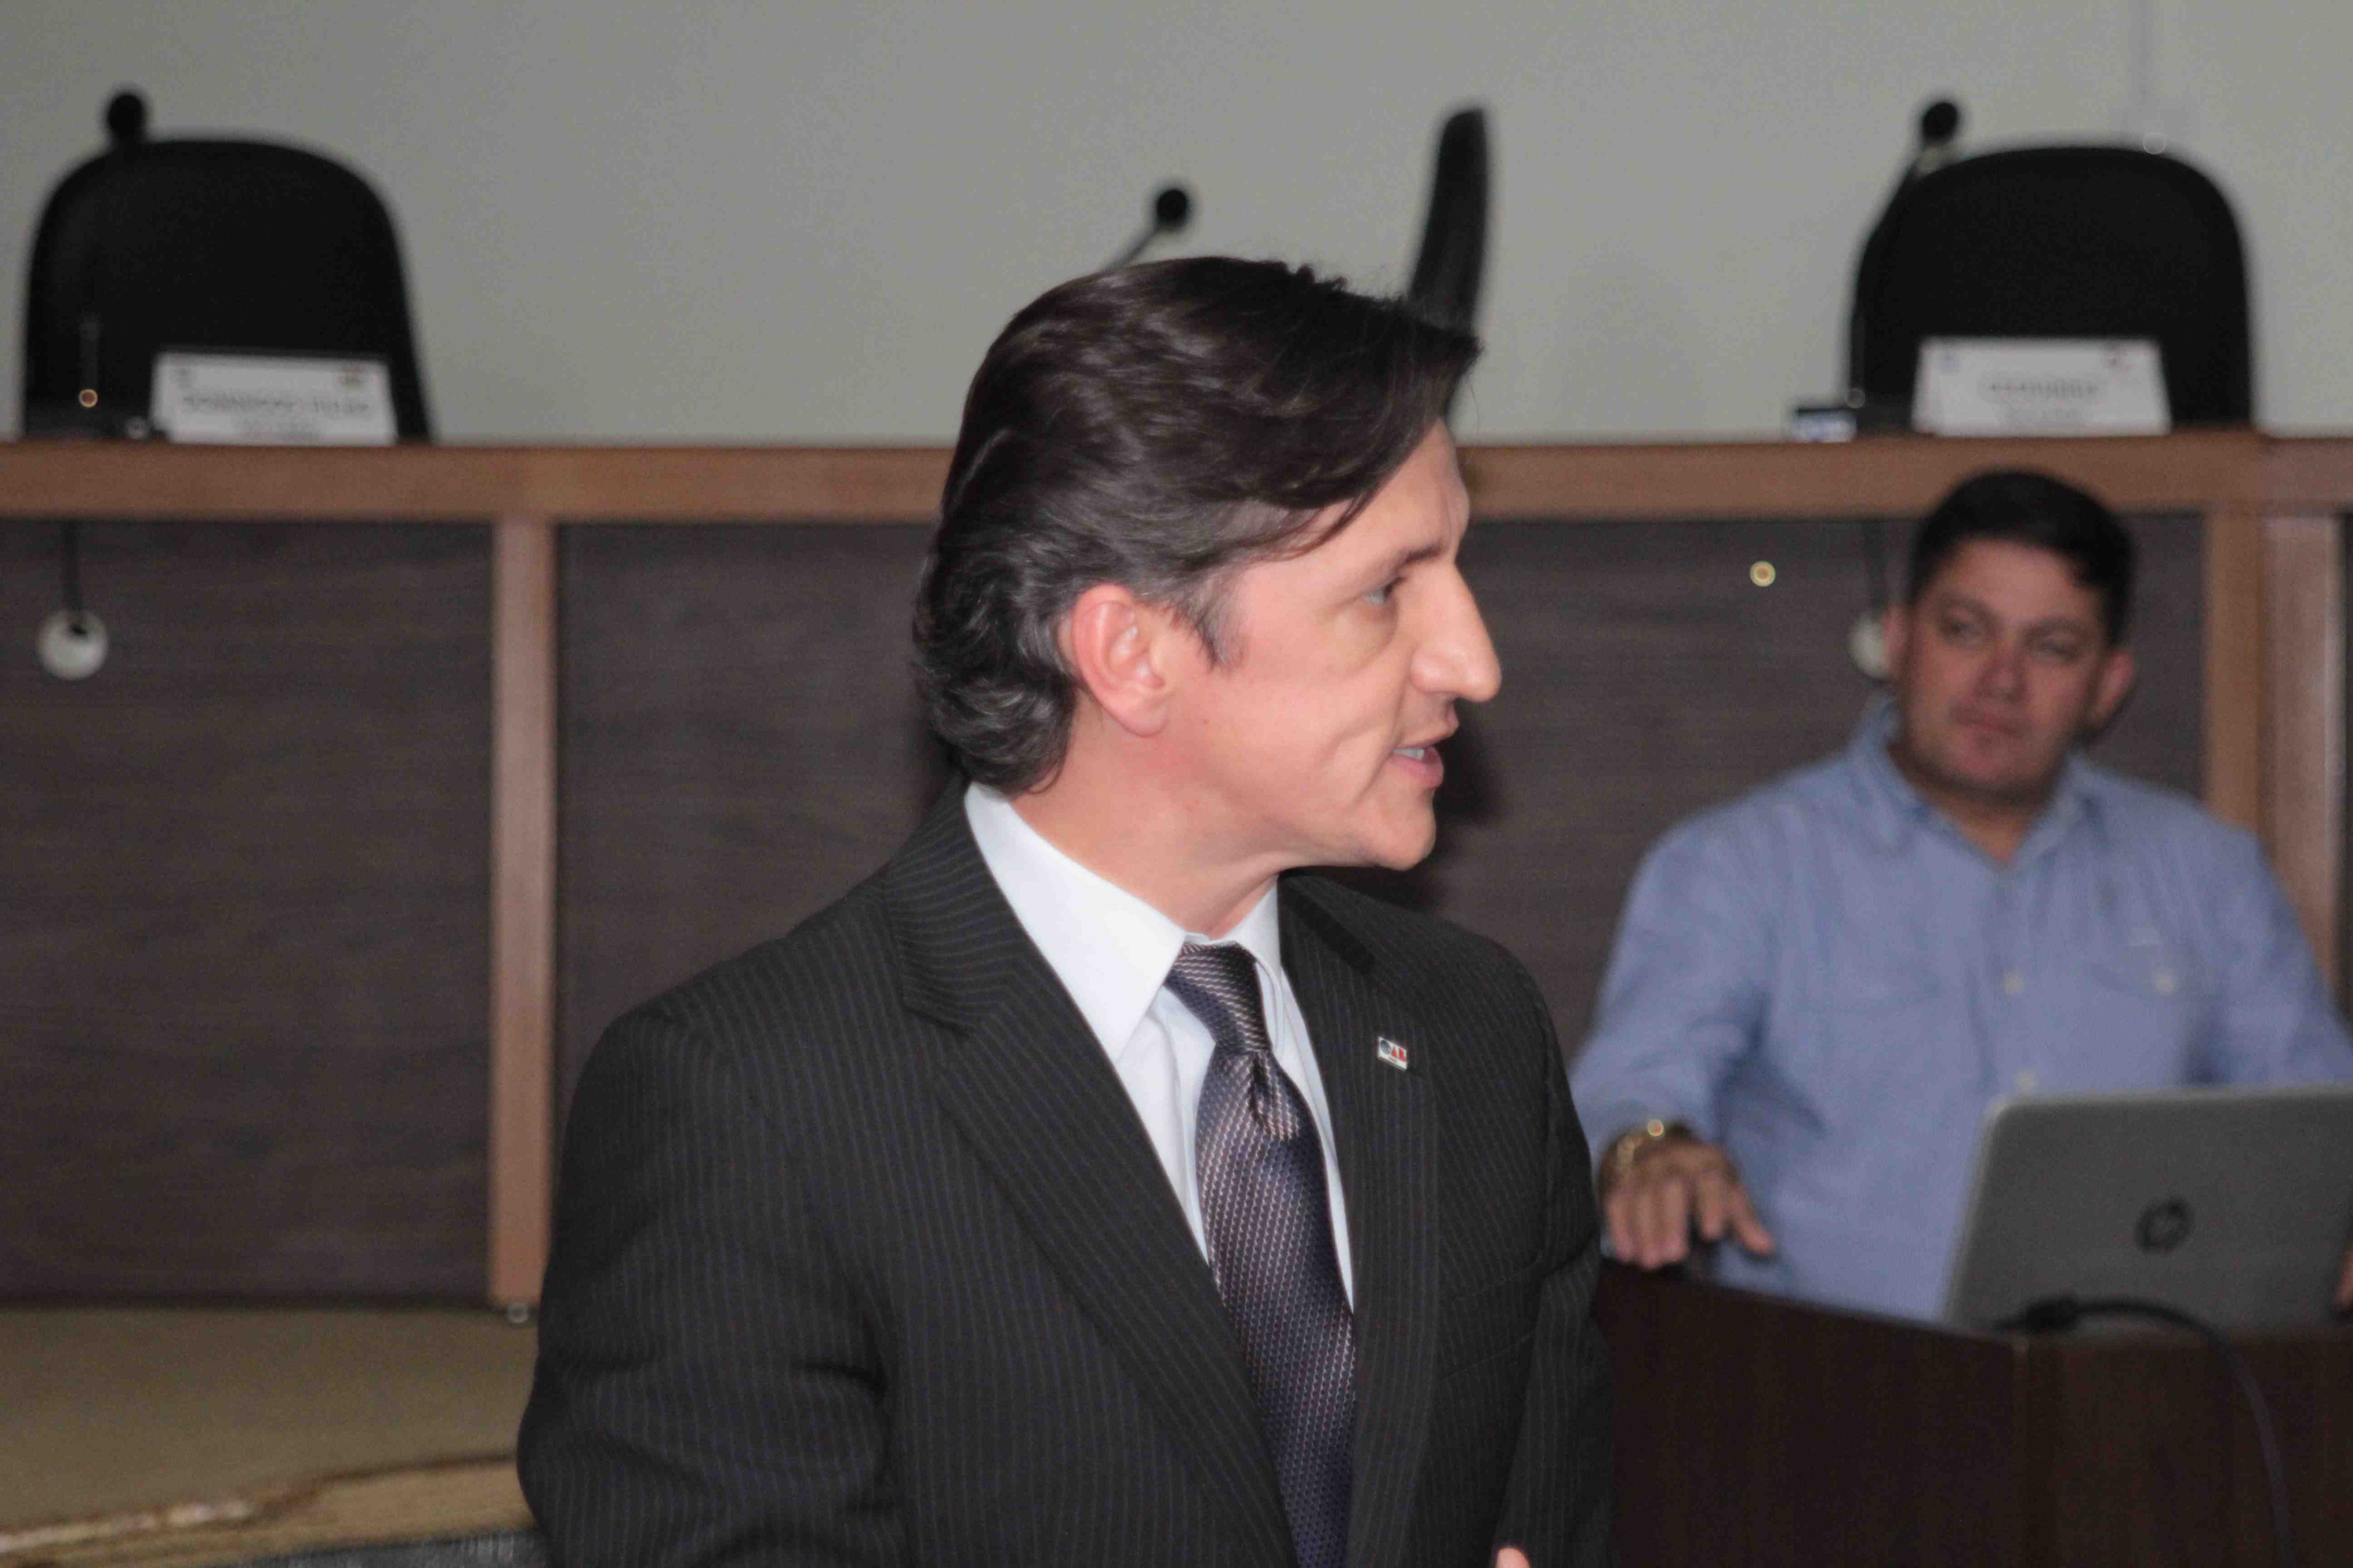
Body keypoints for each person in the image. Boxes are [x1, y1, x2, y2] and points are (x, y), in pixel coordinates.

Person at [520, 259, 1611, 1568]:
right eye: (1386, 591)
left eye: (1457, 571)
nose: (1473, 661)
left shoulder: (1470, 1030)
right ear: (1131, 654)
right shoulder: (746, 1106)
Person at [1571, 470, 2353, 1320]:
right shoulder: (1742, 863)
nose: (2001, 681)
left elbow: (2317, 1124)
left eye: (2051, 647)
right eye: (1966, 631)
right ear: (1900, 639)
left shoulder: (2209, 872)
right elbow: (1628, 1094)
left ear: (2108, 684)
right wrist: (1650, 1153)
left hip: (2145, 1382)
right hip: (1828, 1383)